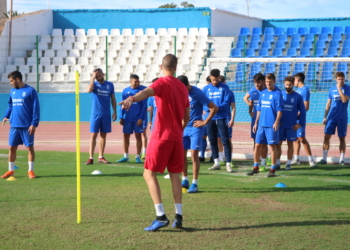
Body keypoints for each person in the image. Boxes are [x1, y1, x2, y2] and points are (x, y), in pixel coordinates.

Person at [118, 54, 189, 231]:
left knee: (149, 174)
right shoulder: (182, 87)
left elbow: (147, 92)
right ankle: (178, 216)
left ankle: (161, 216)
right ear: (175, 67)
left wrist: (132, 98)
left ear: (161, 66)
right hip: (176, 138)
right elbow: (186, 116)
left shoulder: (162, 83)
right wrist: (178, 129)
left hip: (161, 137)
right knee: (175, 175)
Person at [177, 75, 218, 193]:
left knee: (194, 155)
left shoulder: (197, 93)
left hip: (195, 128)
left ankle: (195, 183)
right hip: (183, 128)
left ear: (186, 85)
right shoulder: (180, 93)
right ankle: (185, 180)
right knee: (182, 155)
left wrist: (205, 121)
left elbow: (214, 108)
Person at [1, 71, 40, 179]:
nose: (10, 83)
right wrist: (6, 116)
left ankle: (31, 171)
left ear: (18, 79)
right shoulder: (12, 91)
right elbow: (10, 105)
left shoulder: (30, 91)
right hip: (14, 125)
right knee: (12, 147)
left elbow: (35, 109)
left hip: (27, 125)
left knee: (29, 148)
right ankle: (10, 170)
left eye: (12, 81)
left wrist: (34, 124)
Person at [247, 73, 283, 177]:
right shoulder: (263, 93)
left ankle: (272, 169)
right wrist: (256, 123)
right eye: (267, 82)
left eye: (270, 82)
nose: (268, 84)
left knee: (272, 146)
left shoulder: (278, 93)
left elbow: (280, 110)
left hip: (271, 125)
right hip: (261, 125)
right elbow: (259, 109)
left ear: (274, 82)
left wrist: (276, 122)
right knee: (257, 145)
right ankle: (255, 167)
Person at [317, 72, 350, 165]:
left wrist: (339, 89)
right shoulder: (331, 89)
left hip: (342, 117)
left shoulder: (348, 88)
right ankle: (324, 159)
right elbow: (328, 104)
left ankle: (341, 160)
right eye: (339, 79)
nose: (340, 80)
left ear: (344, 78)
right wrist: (325, 116)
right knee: (326, 137)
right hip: (331, 117)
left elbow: (344, 100)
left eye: (342, 79)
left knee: (342, 138)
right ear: (336, 79)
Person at [203, 69, 233, 172]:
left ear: (219, 77)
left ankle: (228, 163)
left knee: (225, 140)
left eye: (216, 80)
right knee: (212, 140)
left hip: (221, 117)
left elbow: (226, 102)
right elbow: (203, 101)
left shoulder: (225, 87)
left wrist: (216, 108)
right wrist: (207, 109)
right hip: (210, 118)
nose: (215, 82)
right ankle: (216, 162)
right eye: (213, 80)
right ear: (210, 77)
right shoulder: (206, 88)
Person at [85, 68, 116, 165]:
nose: (97, 77)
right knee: (93, 135)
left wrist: (114, 111)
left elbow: (113, 99)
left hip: (106, 114)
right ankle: (90, 157)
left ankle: (101, 156)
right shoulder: (93, 84)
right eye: (95, 76)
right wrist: (92, 78)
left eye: (98, 75)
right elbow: (89, 90)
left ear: (103, 74)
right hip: (95, 114)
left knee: (103, 136)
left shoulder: (110, 85)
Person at [276, 76, 306, 170]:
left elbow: (303, 112)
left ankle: (288, 163)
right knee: (278, 144)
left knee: (290, 145)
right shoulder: (280, 95)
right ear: (284, 84)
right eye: (286, 85)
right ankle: (277, 162)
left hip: (291, 126)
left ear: (293, 84)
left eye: (290, 85)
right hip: (280, 125)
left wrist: (300, 123)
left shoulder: (298, 97)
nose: (288, 86)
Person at [117, 74, 147, 164]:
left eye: (138, 81)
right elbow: (122, 104)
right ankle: (125, 156)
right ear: (130, 81)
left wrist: (141, 118)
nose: (137, 83)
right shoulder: (125, 91)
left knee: (138, 136)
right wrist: (121, 117)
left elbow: (144, 106)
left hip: (138, 118)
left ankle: (138, 156)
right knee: (126, 137)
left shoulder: (142, 91)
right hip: (127, 118)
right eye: (135, 82)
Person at [243, 73, 269, 170]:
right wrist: (250, 109)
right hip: (255, 119)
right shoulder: (253, 90)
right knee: (255, 142)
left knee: (264, 142)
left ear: (263, 82)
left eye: (258, 82)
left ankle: (263, 162)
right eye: (255, 83)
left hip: (266, 119)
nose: (256, 85)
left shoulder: (267, 91)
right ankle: (256, 163)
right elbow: (246, 98)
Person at [291, 73, 316, 167]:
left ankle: (311, 160)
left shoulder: (305, 90)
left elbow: (306, 107)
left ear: (298, 79)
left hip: (300, 119)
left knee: (302, 139)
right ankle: (296, 158)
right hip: (294, 118)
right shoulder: (298, 90)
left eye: (294, 80)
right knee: (295, 139)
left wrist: (296, 114)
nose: (293, 82)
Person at [217, 75, 236, 168]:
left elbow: (233, 107)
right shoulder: (215, 93)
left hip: (226, 118)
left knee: (228, 140)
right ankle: (220, 159)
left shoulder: (230, 93)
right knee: (218, 139)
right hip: (216, 118)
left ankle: (230, 159)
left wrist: (232, 119)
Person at [199, 76, 212, 162]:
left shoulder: (218, 90)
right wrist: (202, 109)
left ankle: (214, 155)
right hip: (205, 114)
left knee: (213, 137)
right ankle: (202, 155)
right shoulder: (205, 89)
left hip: (214, 115)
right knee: (203, 136)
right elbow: (200, 100)